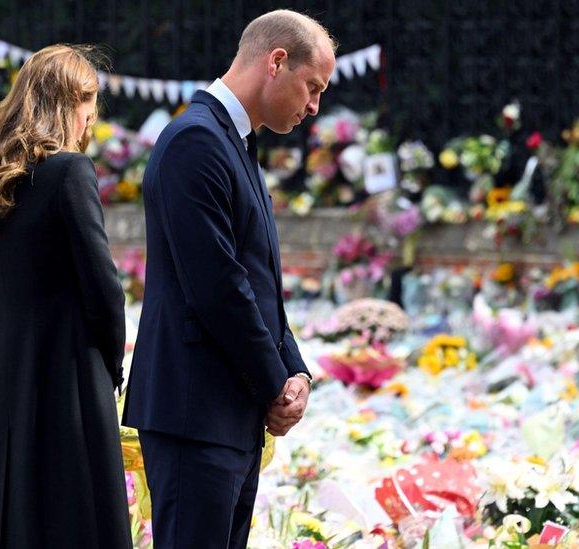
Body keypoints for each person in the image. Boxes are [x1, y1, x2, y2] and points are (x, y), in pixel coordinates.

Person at [122, 9, 337, 548]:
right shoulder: (196, 141)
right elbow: (218, 286)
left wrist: (295, 371)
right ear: (276, 61)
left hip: (226, 412)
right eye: (312, 87)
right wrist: (274, 385)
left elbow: (260, 279)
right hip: (195, 412)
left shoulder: (233, 141)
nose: (315, 107)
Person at [0, 44, 132, 548]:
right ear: (72, 102)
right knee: (78, 519)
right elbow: (104, 290)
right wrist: (110, 368)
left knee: (12, 514)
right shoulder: (69, 171)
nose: (88, 126)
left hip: (2, 369)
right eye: (88, 113)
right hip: (70, 370)